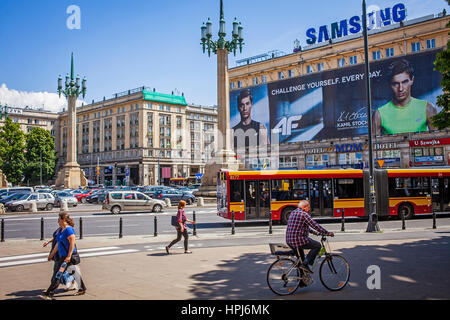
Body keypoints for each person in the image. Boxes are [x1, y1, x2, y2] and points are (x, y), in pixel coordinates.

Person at [373, 59, 438, 135]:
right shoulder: (379, 114)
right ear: (389, 84)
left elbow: (438, 143)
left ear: (412, 80)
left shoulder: (428, 108)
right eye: (395, 84)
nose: (400, 88)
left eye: (404, 82)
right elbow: (373, 146)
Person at [39, 213, 86, 300]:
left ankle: (49, 294)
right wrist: (51, 255)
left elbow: (72, 243)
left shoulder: (69, 230)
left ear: (63, 219)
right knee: (73, 273)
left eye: (59, 219)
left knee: (58, 274)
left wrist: (68, 256)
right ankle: (82, 289)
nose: (58, 220)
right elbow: (58, 243)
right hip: (62, 256)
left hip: (67, 257)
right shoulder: (61, 230)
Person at [286, 200, 334, 273]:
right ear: (304, 207)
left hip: (289, 241)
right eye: (308, 208)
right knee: (317, 246)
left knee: (301, 260)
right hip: (298, 240)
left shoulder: (293, 212)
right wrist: (326, 233)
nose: (309, 210)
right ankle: (305, 264)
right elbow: (315, 225)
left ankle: (301, 282)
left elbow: (299, 226)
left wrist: (313, 232)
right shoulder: (304, 214)